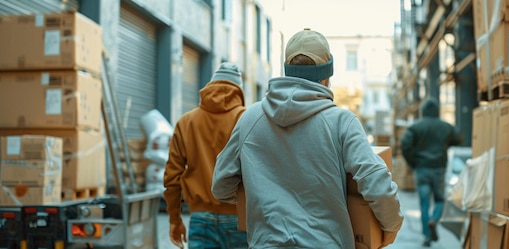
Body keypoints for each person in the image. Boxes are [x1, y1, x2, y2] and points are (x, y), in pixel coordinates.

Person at [211, 28, 404, 249]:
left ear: (287, 71)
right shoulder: (342, 122)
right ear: (327, 76)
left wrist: (261, 199)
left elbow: (221, 186)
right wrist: (390, 227)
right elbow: (376, 183)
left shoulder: (250, 119)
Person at [163, 62, 248, 249]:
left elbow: (172, 176)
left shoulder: (186, 122)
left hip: (201, 219)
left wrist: (174, 219)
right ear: (239, 91)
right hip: (240, 219)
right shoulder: (247, 119)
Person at [400, 97, 463, 247]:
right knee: (440, 200)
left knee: (424, 203)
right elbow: (459, 138)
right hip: (438, 169)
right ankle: (434, 219)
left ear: (423, 111)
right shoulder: (445, 127)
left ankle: (427, 237)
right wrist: (446, 142)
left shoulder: (415, 127)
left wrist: (413, 162)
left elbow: (405, 144)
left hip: (421, 169)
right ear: (437, 111)